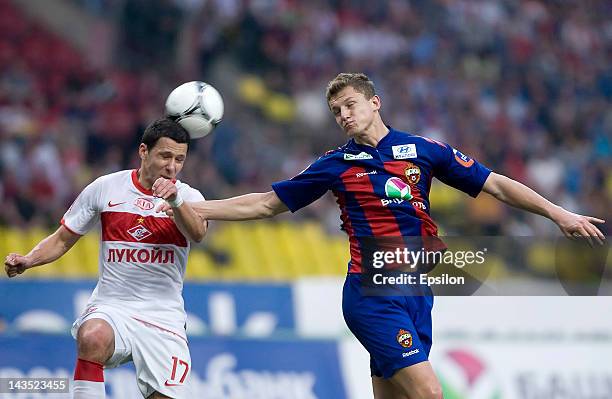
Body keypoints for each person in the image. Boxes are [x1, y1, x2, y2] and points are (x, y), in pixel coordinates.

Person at [160, 73, 605, 399]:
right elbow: (265, 203)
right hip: (371, 295)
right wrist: (191, 205)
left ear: (375, 102)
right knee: (430, 393)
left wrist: (556, 211)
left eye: (350, 105)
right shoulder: (335, 163)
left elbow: (495, 184)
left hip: (416, 293)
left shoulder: (423, 151)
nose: (343, 115)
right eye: (336, 111)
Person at [4, 118, 206, 399]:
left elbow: (197, 233)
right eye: (165, 156)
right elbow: (63, 238)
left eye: (179, 159)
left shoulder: (188, 196)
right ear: (144, 151)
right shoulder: (106, 188)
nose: (172, 166)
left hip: (164, 317)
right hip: (114, 306)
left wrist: (176, 202)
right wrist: (28, 259)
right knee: (92, 336)